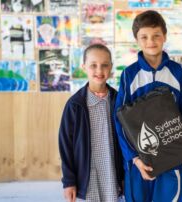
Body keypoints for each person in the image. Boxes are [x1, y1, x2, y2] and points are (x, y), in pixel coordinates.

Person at [114, 10, 182, 202]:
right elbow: (120, 121)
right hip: (140, 163)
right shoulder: (129, 75)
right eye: (144, 37)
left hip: (173, 159)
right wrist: (134, 159)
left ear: (164, 36)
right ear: (137, 40)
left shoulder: (179, 72)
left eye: (156, 35)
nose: (151, 41)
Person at [59, 44, 124, 202]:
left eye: (104, 65)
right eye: (93, 65)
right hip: (87, 177)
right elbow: (65, 145)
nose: (99, 71)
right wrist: (69, 182)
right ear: (84, 67)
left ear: (111, 68)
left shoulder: (119, 101)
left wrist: (124, 176)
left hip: (112, 174)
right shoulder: (75, 105)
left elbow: (126, 141)